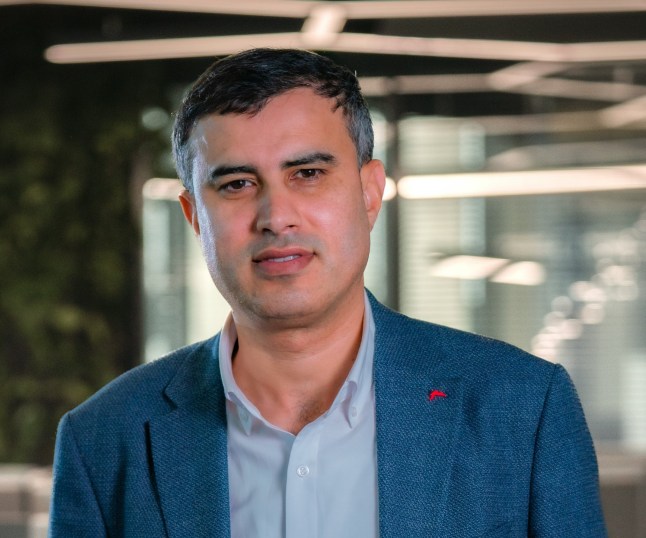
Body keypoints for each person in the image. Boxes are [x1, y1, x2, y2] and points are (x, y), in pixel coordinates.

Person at [48, 48, 607, 538]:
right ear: (194, 216)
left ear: (369, 192)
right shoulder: (103, 440)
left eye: (308, 173)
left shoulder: (523, 409)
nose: (276, 216)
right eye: (237, 184)